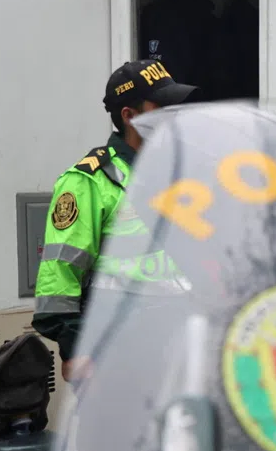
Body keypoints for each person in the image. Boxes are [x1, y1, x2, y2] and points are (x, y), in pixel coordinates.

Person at [32, 60, 199, 382]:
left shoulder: (180, 174)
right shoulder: (90, 181)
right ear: (130, 116)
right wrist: (75, 348)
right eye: (163, 107)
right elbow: (59, 273)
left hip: (179, 345)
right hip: (116, 351)